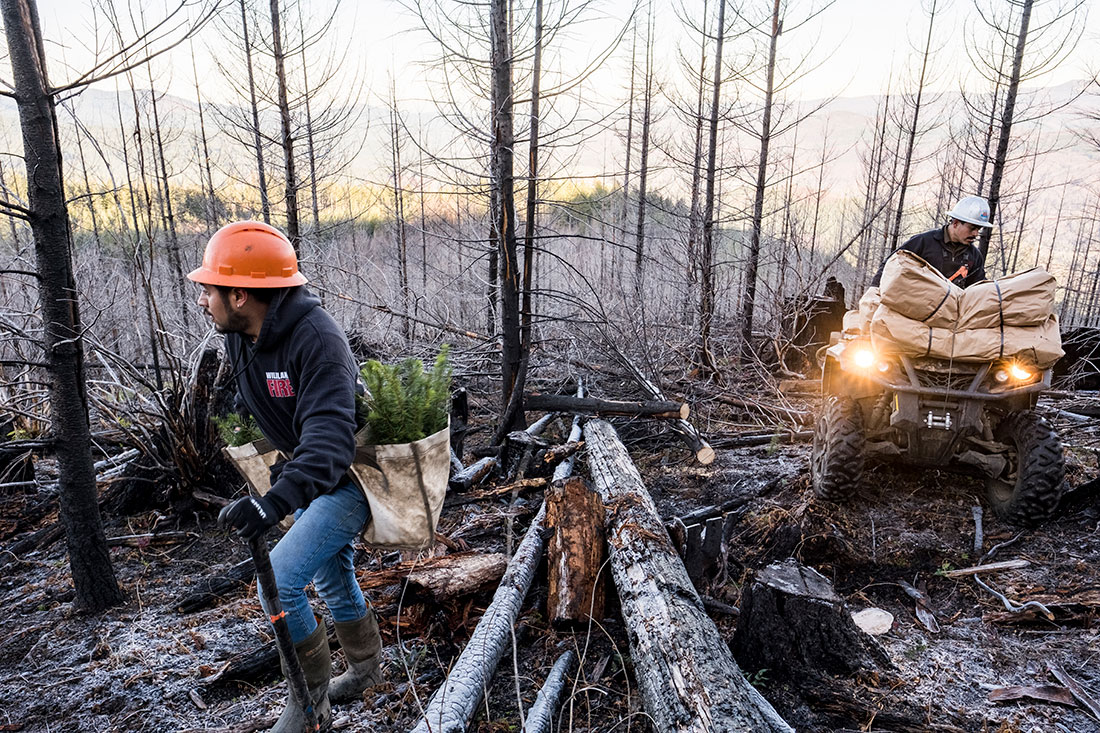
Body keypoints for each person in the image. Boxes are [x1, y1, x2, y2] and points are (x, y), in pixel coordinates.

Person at [188, 221, 381, 732]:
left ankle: (308, 703)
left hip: (355, 474)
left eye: (209, 290)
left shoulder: (318, 339)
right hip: (313, 472)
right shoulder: (243, 335)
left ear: (240, 293)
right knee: (332, 573)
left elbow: (331, 441)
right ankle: (364, 670)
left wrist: (274, 502)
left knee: (281, 580)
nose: (203, 299)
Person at [871, 195, 992, 289]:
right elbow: (890, 265)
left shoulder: (974, 256)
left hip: (948, 316)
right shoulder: (924, 242)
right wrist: (874, 291)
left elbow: (978, 289)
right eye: (972, 228)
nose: (976, 234)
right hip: (913, 310)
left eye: (978, 229)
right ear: (955, 223)